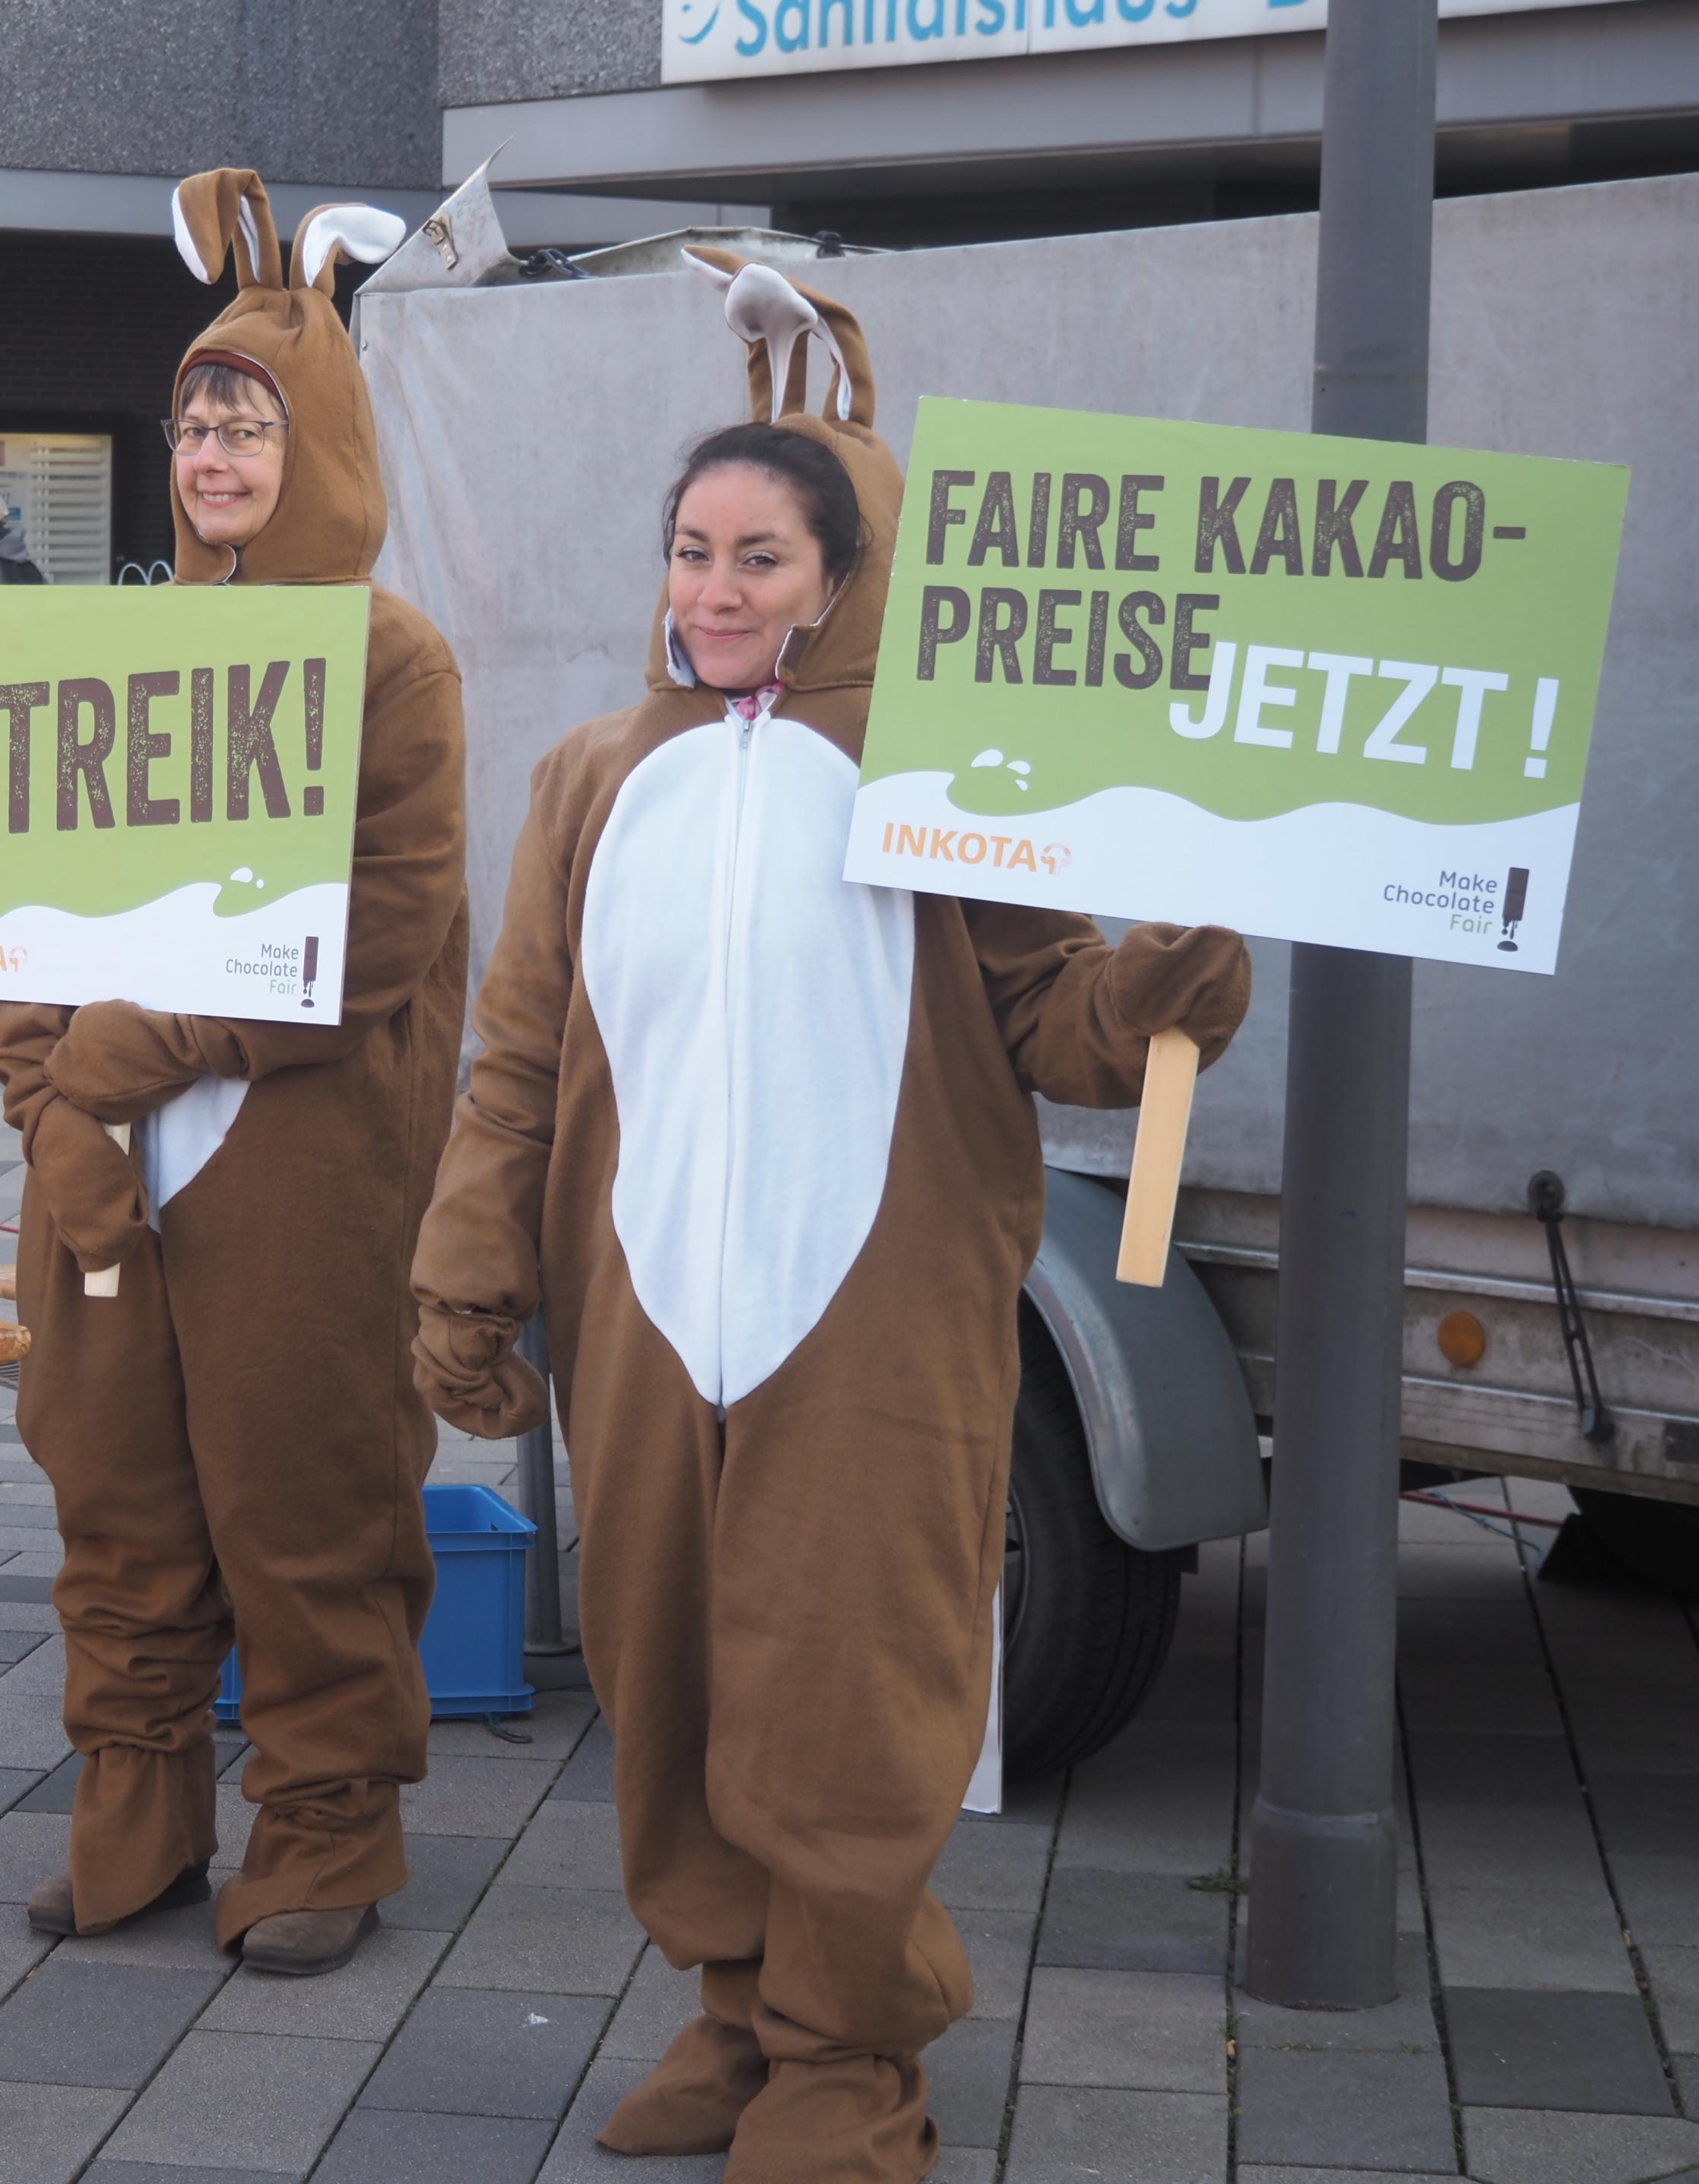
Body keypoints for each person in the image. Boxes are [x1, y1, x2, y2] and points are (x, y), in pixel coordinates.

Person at [409, 255, 1252, 2180]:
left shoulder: (943, 768)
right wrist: (469, 1260)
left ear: (845, 574)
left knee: (852, 1696)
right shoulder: (586, 776)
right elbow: (520, 1049)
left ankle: (849, 2065)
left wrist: (1164, 988)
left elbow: (1049, 1012)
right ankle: (733, 2011)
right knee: (665, 1671)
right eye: (690, 549)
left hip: (870, 1319)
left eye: (762, 557)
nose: (712, 589)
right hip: (639, 1317)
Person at [0, 168, 463, 1978]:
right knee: (109, 1494)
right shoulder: (101, 643)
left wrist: (128, 1057)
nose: (211, 448)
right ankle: (136, 1807)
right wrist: (51, 1111)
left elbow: (384, 932)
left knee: (306, 1498)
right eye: (192, 415)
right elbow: (5, 910)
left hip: (296, 1160)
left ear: (318, 437)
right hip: (104, 1165)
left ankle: (326, 1824)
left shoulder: (392, 663)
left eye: (249, 418)